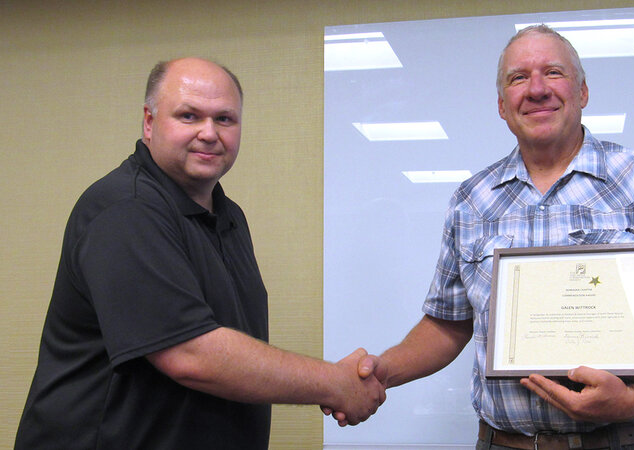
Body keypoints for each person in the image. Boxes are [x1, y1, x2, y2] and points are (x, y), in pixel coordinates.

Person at [327, 25, 634, 449]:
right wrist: (380, 371)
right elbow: (446, 325)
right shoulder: (471, 199)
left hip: (624, 440)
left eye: (553, 72)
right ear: (501, 105)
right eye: (518, 78)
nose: (536, 89)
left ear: (582, 92)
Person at [15, 57, 385, 450]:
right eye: (189, 116)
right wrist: (334, 383)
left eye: (224, 119)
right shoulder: (124, 208)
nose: (209, 133)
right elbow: (192, 354)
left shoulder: (230, 217)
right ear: (149, 122)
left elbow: (228, 346)